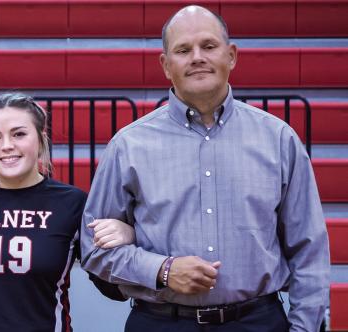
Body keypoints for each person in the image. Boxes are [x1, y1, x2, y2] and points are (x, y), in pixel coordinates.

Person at [80, 5, 330, 332]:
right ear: (166, 65)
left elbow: (309, 250)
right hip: (161, 322)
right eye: (183, 50)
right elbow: (93, 250)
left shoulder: (278, 139)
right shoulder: (128, 145)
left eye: (208, 46)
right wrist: (163, 269)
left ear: (231, 55)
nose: (197, 57)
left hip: (258, 321)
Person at [0, 93, 134, 331]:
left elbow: (115, 289)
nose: (7, 145)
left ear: (41, 139)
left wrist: (130, 236)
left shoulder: (73, 203)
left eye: (19, 134)